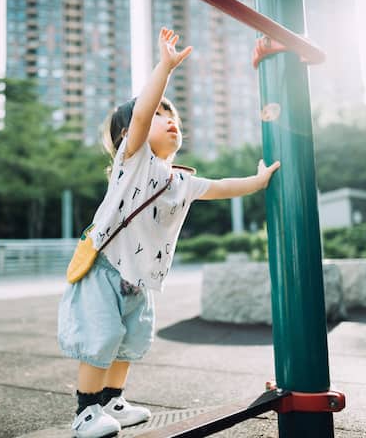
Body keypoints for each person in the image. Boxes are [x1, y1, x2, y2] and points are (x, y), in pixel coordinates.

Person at [58, 27, 281, 438]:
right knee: (102, 336)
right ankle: (86, 411)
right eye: (161, 114)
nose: (169, 120)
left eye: (172, 115)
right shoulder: (134, 161)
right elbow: (140, 114)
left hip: (139, 278)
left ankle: (112, 401)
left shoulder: (180, 181)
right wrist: (164, 66)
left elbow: (220, 187)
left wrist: (258, 181)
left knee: (131, 338)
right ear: (128, 136)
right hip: (106, 267)